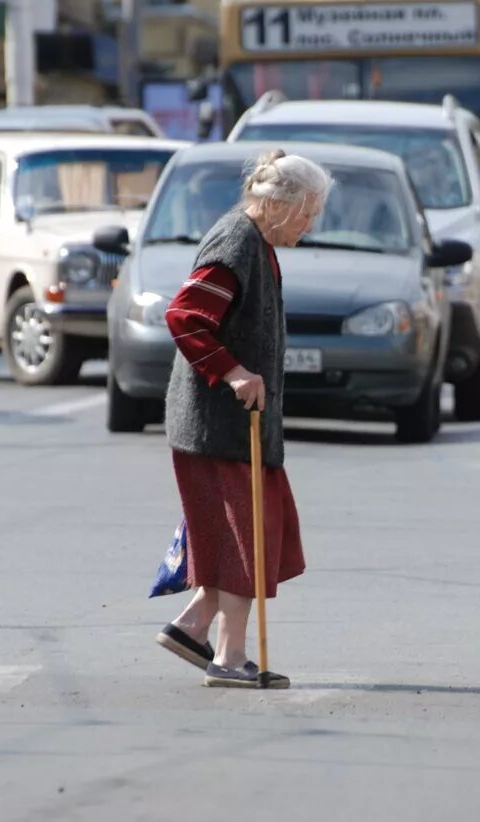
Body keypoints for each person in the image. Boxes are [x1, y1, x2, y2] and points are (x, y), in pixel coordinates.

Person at [155, 149, 332, 689]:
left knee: (250, 532)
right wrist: (233, 372)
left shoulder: (257, 242)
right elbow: (185, 316)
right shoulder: (237, 241)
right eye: (309, 214)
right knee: (245, 538)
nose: (310, 226)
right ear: (285, 204)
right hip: (220, 427)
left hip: (236, 426)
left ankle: (193, 626)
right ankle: (229, 658)